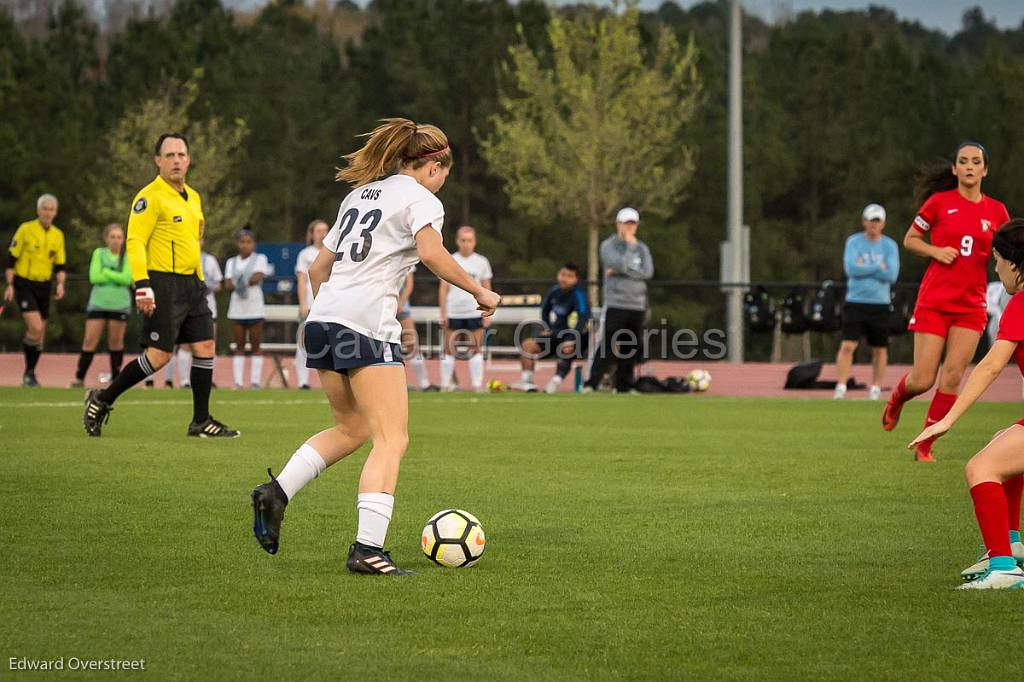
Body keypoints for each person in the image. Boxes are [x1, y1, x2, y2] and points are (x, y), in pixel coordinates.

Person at [249, 118, 500, 575]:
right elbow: (431, 253)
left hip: (323, 321)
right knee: (392, 438)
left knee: (351, 429)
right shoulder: (422, 199)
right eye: (445, 173)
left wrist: (331, 311)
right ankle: (368, 549)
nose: (443, 182)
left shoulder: (358, 195)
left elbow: (318, 268)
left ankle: (276, 493)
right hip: (365, 327)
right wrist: (479, 291)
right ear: (433, 166)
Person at [82, 132, 238, 438]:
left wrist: (199, 280)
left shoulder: (193, 197)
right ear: (158, 161)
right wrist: (143, 285)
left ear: (189, 159)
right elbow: (136, 242)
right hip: (161, 283)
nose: (176, 160)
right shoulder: (148, 197)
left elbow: (194, 238)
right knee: (159, 355)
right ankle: (101, 399)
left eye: (181, 154)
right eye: (170, 155)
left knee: (206, 345)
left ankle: (201, 420)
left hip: (193, 283)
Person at [908, 219, 1024, 589]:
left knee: (981, 468)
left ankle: (1004, 570)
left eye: (997, 260)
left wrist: (946, 420)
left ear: (1014, 262)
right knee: (1000, 440)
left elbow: (990, 365)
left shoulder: (1021, 303)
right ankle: (1012, 545)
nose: (995, 268)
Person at [882, 142, 1010, 462]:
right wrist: (935, 251)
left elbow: (1009, 251)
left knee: (953, 376)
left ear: (985, 170)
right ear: (954, 169)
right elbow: (910, 239)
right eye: (962, 161)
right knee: (923, 379)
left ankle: (926, 444)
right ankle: (898, 398)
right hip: (935, 301)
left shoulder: (997, 211)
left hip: (971, 305)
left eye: (975, 161)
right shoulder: (939, 203)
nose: (968, 166)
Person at [583, 207, 654, 393]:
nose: (630, 227)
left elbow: (647, 272)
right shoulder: (609, 245)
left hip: (637, 303)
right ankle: (591, 383)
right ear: (618, 224)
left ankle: (623, 385)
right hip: (616, 302)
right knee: (608, 342)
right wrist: (630, 248)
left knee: (630, 344)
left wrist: (623, 271)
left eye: (633, 223)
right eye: (626, 223)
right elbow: (617, 263)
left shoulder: (643, 248)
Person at [833, 204, 900, 401]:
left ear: (883, 223)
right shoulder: (853, 242)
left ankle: (876, 388)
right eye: (871, 220)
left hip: (879, 303)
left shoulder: (890, 245)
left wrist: (866, 267)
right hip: (856, 300)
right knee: (848, 345)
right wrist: (878, 267)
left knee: (879, 348)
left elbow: (891, 274)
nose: (874, 224)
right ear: (864, 221)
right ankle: (841, 385)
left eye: (877, 221)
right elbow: (851, 269)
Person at [4, 194, 66, 387]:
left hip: (44, 285)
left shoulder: (58, 235)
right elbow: (11, 259)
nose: (48, 212)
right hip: (24, 284)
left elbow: (60, 265)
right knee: (36, 327)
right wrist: (10, 285)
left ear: (55, 212)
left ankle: (30, 374)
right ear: (38, 210)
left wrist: (61, 284)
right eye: (44, 208)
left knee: (40, 335)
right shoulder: (26, 229)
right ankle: (29, 372)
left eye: (51, 209)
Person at [72, 223, 132, 387]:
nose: (115, 240)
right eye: (112, 237)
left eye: (119, 237)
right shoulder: (99, 253)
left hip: (119, 305)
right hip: (98, 304)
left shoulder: (127, 256)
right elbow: (94, 277)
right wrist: (115, 276)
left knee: (116, 343)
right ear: (106, 238)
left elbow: (127, 278)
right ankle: (79, 378)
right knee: (89, 341)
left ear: (123, 239)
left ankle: (116, 379)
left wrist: (106, 272)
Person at [515, 263, 589, 393]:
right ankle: (527, 382)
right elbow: (545, 310)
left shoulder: (579, 295)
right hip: (555, 334)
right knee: (527, 345)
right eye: (562, 274)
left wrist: (571, 339)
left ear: (576, 279)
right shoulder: (554, 291)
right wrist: (547, 327)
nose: (564, 278)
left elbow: (582, 318)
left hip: (576, 337)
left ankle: (555, 381)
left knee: (565, 349)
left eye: (569, 276)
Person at [438, 225, 493, 392]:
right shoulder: (449, 259)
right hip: (453, 311)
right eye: (462, 240)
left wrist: (487, 312)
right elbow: (443, 289)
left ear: (474, 242)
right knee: (448, 349)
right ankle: (445, 385)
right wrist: (443, 313)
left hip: (474, 311)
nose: (466, 244)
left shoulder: (482, 262)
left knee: (475, 348)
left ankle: (477, 385)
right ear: (457, 241)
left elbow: (486, 287)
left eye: (469, 240)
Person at [225, 227, 273, 389]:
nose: (245, 245)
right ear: (238, 244)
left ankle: (255, 381)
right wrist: (244, 280)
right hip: (237, 307)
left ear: (253, 244)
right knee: (239, 345)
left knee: (255, 344)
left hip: (254, 306)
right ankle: (238, 381)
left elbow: (257, 277)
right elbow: (228, 283)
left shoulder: (260, 259)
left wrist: (239, 280)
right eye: (242, 242)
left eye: (248, 242)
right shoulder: (231, 262)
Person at [171, 241, 223, 388]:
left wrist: (205, 287)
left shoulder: (210, 260)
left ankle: (207, 380)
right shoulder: (179, 258)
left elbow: (219, 284)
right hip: (184, 308)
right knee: (185, 345)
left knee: (208, 345)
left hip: (208, 307)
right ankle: (184, 381)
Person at [294, 219, 329, 389]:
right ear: (312, 234)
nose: (323, 234)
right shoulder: (306, 254)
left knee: (329, 342)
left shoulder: (333, 253)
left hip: (329, 303)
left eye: (326, 230)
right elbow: (301, 280)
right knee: (304, 342)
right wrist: (302, 303)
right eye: (319, 230)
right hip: (310, 303)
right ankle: (303, 381)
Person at [397, 267, 435, 391]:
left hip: (401, 308)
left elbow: (409, 284)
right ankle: (392, 384)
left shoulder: (406, 253)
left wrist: (400, 304)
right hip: (381, 306)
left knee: (412, 345)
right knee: (382, 346)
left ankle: (424, 383)